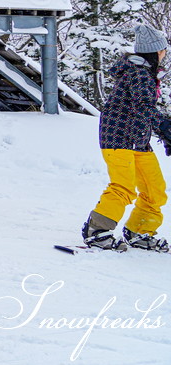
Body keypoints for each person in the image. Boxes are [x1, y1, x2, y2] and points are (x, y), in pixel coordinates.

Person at [80, 24, 171, 252]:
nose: (165, 54)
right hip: (119, 138)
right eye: (163, 50)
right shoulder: (139, 74)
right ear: (154, 51)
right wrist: (165, 128)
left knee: (154, 189)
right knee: (123, 187)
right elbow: (144, 107)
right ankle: (97, 231)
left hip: (137, 140)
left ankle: (140, 230)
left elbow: (143, 111)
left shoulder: (144, 73)